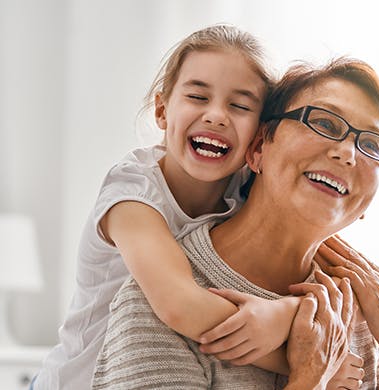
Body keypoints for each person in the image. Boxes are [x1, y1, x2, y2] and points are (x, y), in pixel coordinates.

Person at [92, 57, 379, 389]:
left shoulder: (361, 310)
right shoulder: (154, 304)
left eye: (372, 146)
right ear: (259, 147)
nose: (348, 153)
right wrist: (310, 376)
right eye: (324, 123)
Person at [34, 24, 304, 390]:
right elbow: (180, 307)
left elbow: (319, 263)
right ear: (162, 111)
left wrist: (286, 311)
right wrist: (303, 351)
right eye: (197, 97)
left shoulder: (249, 195)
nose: (216, 116)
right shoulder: (131, 194)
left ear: (259, 134)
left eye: (239, 106)